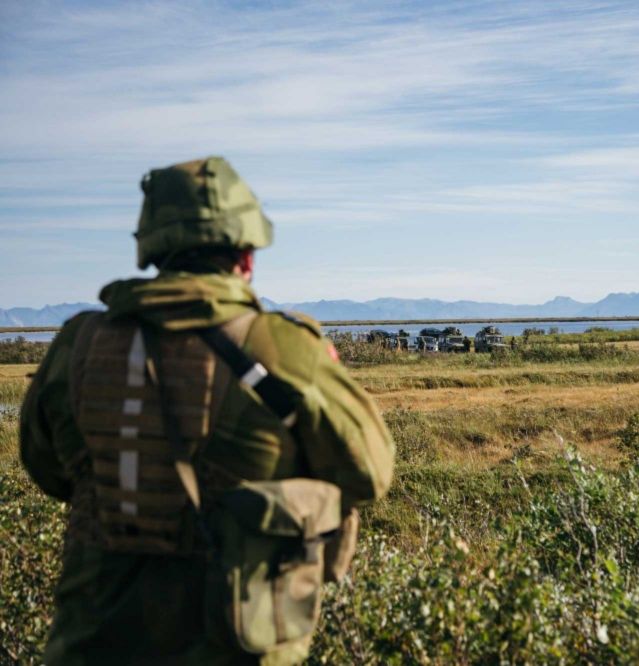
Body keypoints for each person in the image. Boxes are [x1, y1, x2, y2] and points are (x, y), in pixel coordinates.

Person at [19, 156, 395, 664]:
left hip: (92, 638)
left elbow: (47, 469)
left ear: (154, 249)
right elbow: (370, 471)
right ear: (246, 256)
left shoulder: (78, 345)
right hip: (235, 639)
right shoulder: (284, 347)